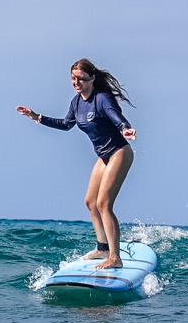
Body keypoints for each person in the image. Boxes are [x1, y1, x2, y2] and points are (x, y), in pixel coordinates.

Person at [16, 58, 137, 269]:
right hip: (103, 156)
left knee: (104, 204)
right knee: (91, 202)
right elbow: (65, 124)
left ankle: (115, 258)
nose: (76, 82)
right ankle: (103, 248)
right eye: (73, 78)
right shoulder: (77, 102)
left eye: (80, 78)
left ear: (92, 78)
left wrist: (124, 127)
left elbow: (113, 115)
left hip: (119, 151)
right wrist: (36, 116)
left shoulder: (101, 98)